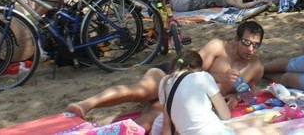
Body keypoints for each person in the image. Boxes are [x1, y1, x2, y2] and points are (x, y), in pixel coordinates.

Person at [66, 21, 265, 132]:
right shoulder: (218, 47)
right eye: (247, 43)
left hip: (187, 99)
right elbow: (188, 70)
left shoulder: (255, 67)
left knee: (147, 123)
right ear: (236, 39)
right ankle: (87, 104)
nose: (251, 49)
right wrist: (220, 77)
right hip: (172, 75)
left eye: (256, 45)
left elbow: (250, 93)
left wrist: (237, 97)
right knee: (142, 91)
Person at [158, 50, 232, 135]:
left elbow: (167, 123)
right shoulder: (202, 77)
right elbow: (226, 115)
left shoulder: (164, 82)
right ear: (199, 68)